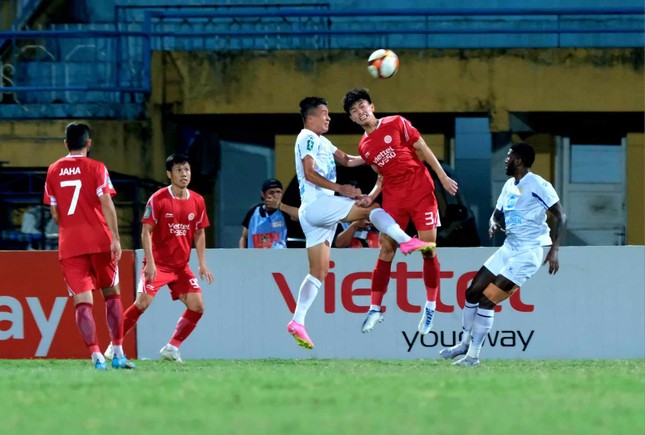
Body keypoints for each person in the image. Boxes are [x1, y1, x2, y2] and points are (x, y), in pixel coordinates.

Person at [287, 96, 434, 350]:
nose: (328, 117)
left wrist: (380, 152)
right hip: (319, 204)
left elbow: (347, 160)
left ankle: (297, 321)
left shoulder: (322, 140)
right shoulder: (307, 136)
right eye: (323, 113)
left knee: (318, 271)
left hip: (311, 215)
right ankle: (405, 241)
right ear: (310, 118)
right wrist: (340, 188)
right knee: (372, 210)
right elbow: (309, 172)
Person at [342, 88, 459, 335]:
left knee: (428, 251)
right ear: (352, 119)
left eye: (362, 106)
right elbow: (382, 176)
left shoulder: (396, 122)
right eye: (354, 111)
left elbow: (423, 148)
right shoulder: (364, 146)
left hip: (421, 192)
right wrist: (372, 197)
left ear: (372, 106)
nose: (360, 112)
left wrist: (443, 176)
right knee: (386, 248)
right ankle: (375, 308)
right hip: (394, 198)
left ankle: (430, 306)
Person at [439, 142, 566, 366]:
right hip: (509, 247)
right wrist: (493, 223)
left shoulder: (538, 184)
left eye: (509, 156)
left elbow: (561, 216)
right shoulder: (509, 184)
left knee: (487, 301)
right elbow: (497, 213)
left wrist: (554, 250)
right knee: (472, 292)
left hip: (529, 251)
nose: (506, 160)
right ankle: (464, 343)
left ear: (518, 160)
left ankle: (473, 357)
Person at [104, 153, 214, 363]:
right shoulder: (158, 199)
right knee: (142, 304)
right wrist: (150, 263)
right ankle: (114, 345)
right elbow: (146, 231)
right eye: (179, 170)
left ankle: (171, 348)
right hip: (159, 265)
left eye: (187, 170)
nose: (184, 174)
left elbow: (199, 232)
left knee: (197, 306)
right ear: (169, 174)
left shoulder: (198, 201)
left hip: (181, 267)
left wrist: (201, 263)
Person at [43, 122, 133, 370]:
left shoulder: (52, 170)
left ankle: (96, 357)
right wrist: (115, 237)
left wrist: (71, 227)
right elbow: (106, 202)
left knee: (82, 303)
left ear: (65, 144)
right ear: (89, 143)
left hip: (70, 246)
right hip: (99, 241)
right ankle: (118, 353)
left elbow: (54, 212)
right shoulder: (97, 168)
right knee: (112, 295)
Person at [239, 178, 294, 249]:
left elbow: (299, 215)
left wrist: (279, 205)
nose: (275, 195)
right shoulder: (254, 211)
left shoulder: (285, 211)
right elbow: (244, 237)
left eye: (278, 192)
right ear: (263, 194)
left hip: (279, 257)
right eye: (271, 192)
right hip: (255, 257)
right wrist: (242, 253)